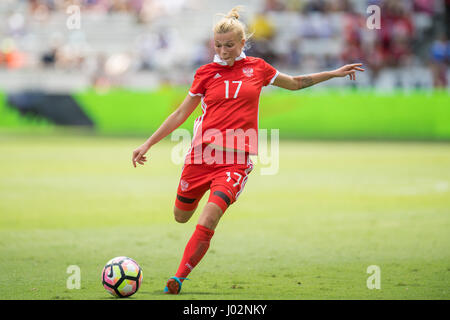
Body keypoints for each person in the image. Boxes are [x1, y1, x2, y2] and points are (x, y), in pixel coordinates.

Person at [131, 6, 364, 295]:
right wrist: (148, 143)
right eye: (218, 45)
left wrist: (333, 73)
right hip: (201, 157)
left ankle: (177, 278)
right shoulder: (205, 73)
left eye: (230, 45)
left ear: (243, 43)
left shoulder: (258, 68)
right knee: (181, 216)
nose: (224, 50)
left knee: (209, 218)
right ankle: (181, 262)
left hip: (235, 162)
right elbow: (180, 114)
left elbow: (294, 83)